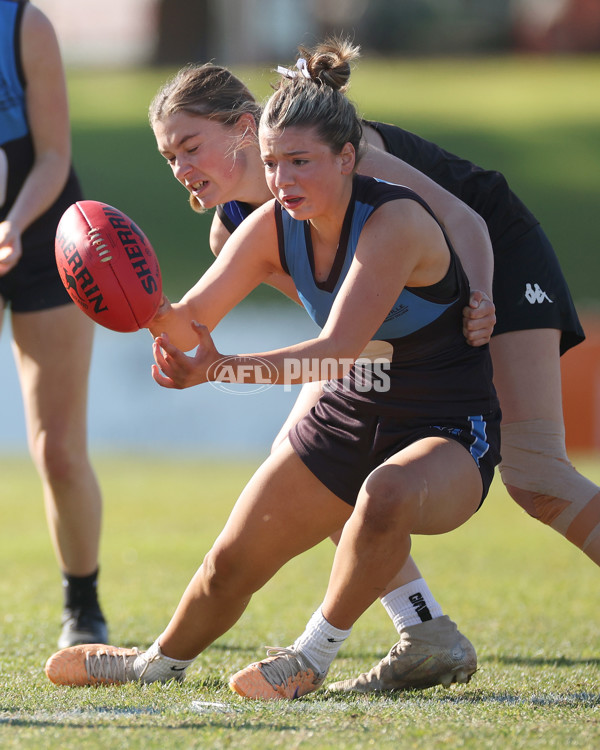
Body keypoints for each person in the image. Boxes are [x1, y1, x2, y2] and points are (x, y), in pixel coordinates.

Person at [44, 37, 501, 700]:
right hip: (351, 414)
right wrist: (139, 303)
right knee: (230, 563)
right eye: (272, 164)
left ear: (348, 158)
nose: (283, 181)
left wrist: (217, 370)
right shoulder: (267, 226)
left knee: (384, 496)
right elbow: (192, 320)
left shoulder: (395, 221)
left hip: (447, 428)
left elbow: (336, 350)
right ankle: (154, 665)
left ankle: (313, 656)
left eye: (300, 162)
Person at [144, 39, 593, 695]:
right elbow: (343, 325)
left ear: (245, 127)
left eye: (190, 146)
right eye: (168, 156)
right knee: (312, 461)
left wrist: (483, 297)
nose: (180, 167)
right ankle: (426, 631)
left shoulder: (347, 153)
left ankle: (376, 640)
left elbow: (465, 219)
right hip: (408, 307)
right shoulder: (238, 227)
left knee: (536, 474)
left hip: (495, 254)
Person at [0, 0, 107, 647]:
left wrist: (12, 225)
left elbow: (53, 156)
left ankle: (83, 605)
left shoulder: (23, 25)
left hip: (45, 239)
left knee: (58, 449)